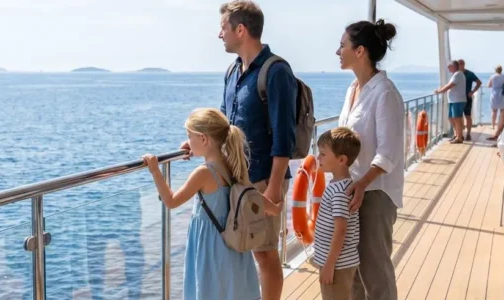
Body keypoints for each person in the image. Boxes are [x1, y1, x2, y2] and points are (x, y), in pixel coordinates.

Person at [179, 1, 298, 299]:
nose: (220, 35)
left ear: (241, 30)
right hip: (235, 180)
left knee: (265, 254)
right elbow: (221, 124)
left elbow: (285, 137)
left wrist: (273, 188)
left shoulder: (276, 72)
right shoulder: (232, 71)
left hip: (261, 180)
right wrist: (196, 141)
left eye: (223, 28)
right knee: (238, 248)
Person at [143, 108, 261, 300]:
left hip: (211, 246)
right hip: (231, 242)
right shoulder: (231, 163)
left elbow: (171, 201)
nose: (188, 142)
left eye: (190, 137)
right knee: (230, 290)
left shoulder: (203, 173)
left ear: (204, 139)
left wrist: (156, 171)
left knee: (210, 290)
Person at [335, 19, 404, 300]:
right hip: (350, 189)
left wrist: (362, 184)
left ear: (360, 51)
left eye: (342, 46)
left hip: (374, 192)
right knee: (352, 270)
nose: (338, 51)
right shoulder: (353, 89)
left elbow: (388, 153)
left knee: (375, 271)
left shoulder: (385, 93)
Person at [312, 127, 361, 300]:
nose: (318, 158)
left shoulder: (340, 192)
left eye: (323, 154)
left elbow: (341, 230)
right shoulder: (341, 185)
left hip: (337, 265)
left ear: (341, 159)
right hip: (338, 263)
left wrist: (329, 264)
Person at [435, 60, 467, 144]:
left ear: (454, 66)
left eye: (449, 66)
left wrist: (439, 91)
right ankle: (458, 134)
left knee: (457, 118)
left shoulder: (458, 74)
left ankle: (459, 137)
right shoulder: (455, 75)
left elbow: (449, 86)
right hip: (453, 100)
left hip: (458, 100)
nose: (448, 67)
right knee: (451, 117)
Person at [459, 59, 481, 140]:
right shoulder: (456, 74)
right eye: (459, 64)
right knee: (459, 117)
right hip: (458, 98)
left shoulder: (469, 74)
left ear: (464, 64)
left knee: (468, 116)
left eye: (461, 63)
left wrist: (472, 91)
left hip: (467, 98)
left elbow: (479, 82)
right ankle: (459, 134)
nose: (460, 65)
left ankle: (468, 133)